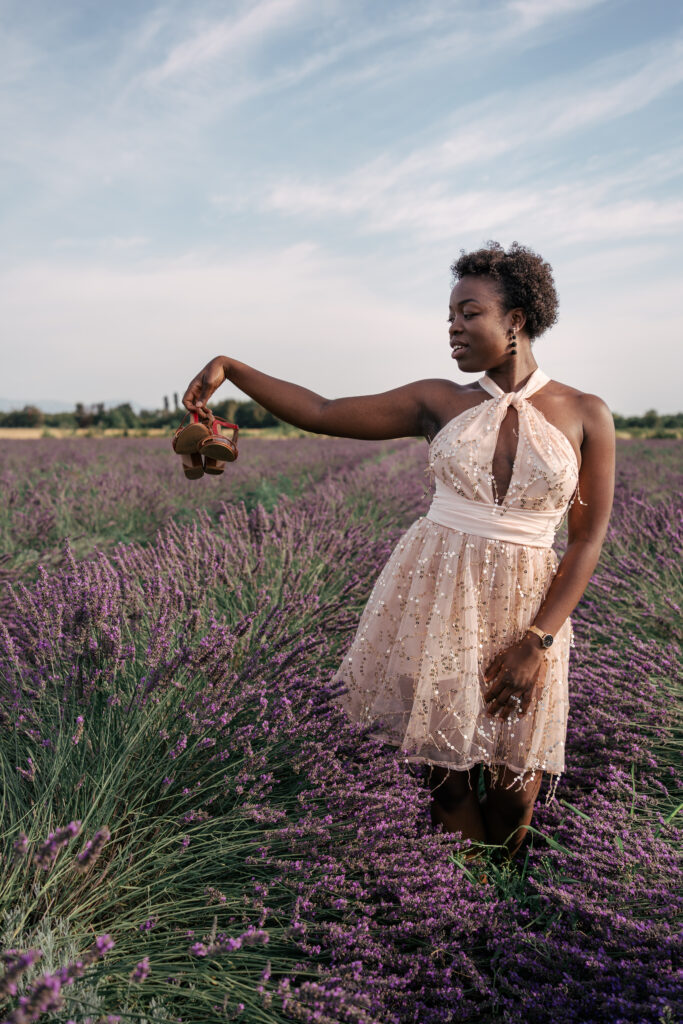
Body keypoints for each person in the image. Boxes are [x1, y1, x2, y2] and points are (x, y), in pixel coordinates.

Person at [182, 241, 615, 859]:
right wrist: (233, 368)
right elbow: (323, 410)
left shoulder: (586, 413)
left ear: (516, 319)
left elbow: (587, 537)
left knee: (517, 790)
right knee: (448, 782)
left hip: (529, 611)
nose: (453, 328)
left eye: (469, 313)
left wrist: (537, 641)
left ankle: (513, 898)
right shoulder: (438, 400)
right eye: (449, 317)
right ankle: (467, 917)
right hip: (437, 601)